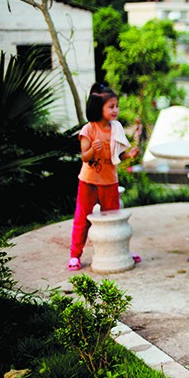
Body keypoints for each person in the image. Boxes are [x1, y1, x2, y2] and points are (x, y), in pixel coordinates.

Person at [69, 84, 139, 271]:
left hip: (110, 181)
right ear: (98, 108)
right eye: (111, 106)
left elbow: (118, 156)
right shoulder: (89, 130)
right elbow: (84, 156)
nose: (115, 110)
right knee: (82, 219)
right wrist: (93, 149)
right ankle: (75, 255)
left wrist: (130, 154)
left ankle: (121, 251)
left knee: (114, 220)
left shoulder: (116, 128)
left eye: (117, 106)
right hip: (89, 181)